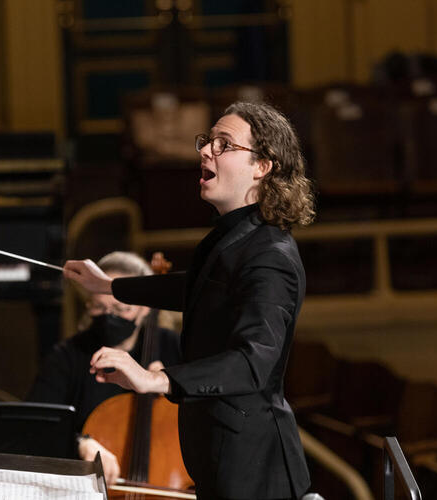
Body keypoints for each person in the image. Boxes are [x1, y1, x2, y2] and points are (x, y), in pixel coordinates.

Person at [64, 101, 315, 499]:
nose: (205, 151)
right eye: (207, 141)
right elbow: (198, 288)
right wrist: (109, 287)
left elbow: (253, 362)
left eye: (224, 144)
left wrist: (155, 379)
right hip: (222, 459)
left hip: (255, 474)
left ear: (262, 166)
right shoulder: (234, 237)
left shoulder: (270, 257)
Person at [27, 251, 181, 485]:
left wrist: (172, 386)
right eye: (98, 307)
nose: (109, 316)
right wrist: (80, 443)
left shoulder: (175, 349)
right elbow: (35, 428)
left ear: (146, 308)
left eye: (120, 309)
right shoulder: (67, 356)